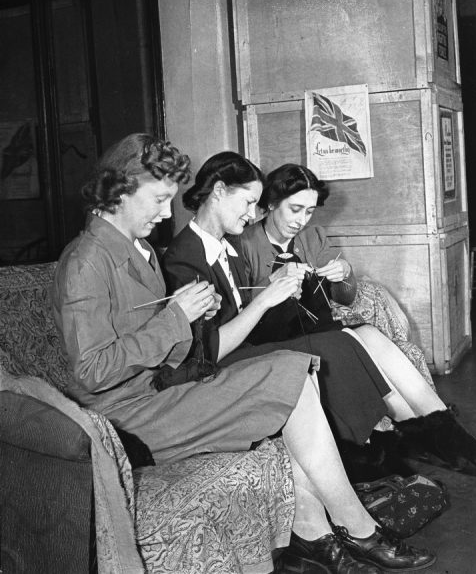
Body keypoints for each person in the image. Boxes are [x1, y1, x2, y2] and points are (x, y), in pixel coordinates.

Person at [53, 134, 434, 574]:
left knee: (292, 371)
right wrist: (176, 319)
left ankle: (317, 535)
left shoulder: (136, 249)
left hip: (162, 390)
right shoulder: (86, 261)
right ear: (119, 189)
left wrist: (196, 318)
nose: (164, 215)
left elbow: (162, 341)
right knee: (288, 376)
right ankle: (358, 531)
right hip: (127, 418)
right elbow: (91, 370)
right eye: (159, 200)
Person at [240, 162, 476, 476]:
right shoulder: (245, 243)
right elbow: (243, 314)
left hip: (318, 329)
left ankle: (447, 438)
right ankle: (441, 443)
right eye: (295, 209)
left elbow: (346, 297)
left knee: (371, 336)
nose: (301, 220)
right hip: (275, 339)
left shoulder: (313, 238)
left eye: (309, 211)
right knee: (356, 339)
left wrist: (344, 274)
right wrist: (274, 284)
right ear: (269, 204)